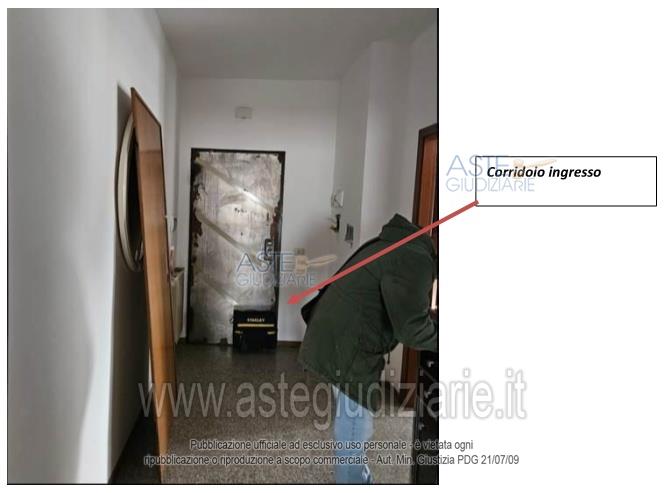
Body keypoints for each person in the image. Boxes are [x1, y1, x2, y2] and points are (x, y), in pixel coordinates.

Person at [298, 214, 438, 484]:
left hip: (340, 334)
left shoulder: (401, 244)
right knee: (353, 431)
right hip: (350, 344)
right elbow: (411, 329)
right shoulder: (416, 258)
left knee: (353, 425)